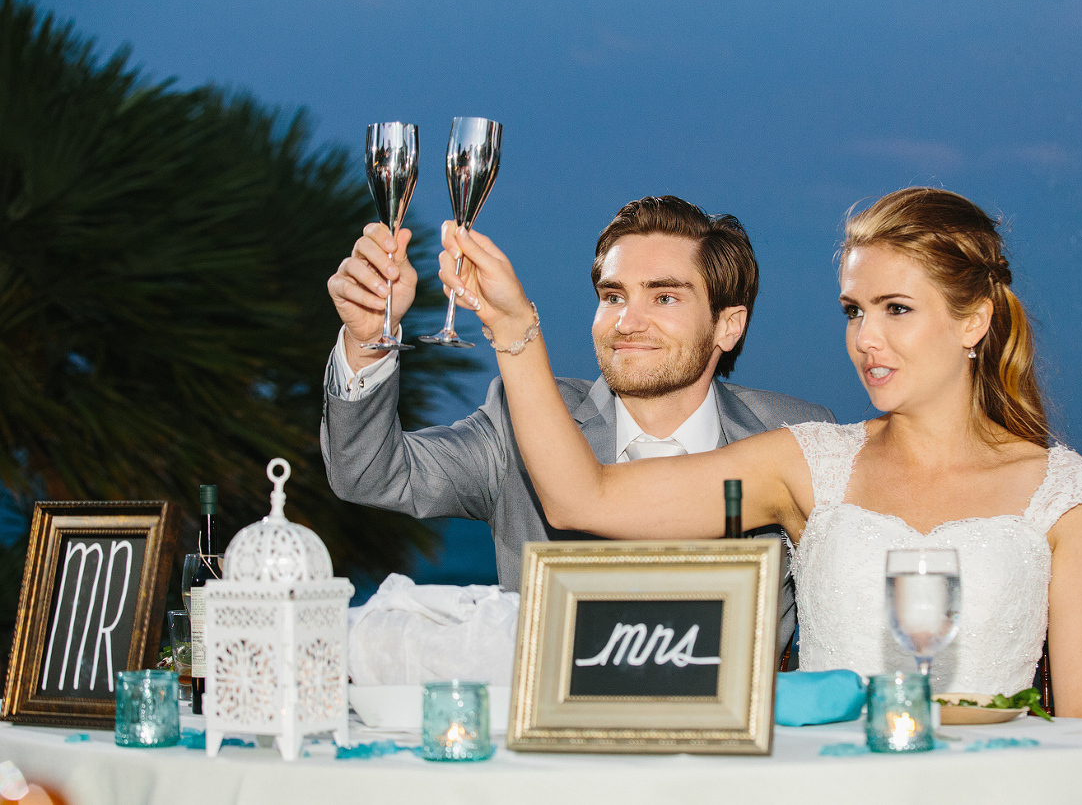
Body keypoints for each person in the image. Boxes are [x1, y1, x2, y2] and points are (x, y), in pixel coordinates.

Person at [440, 187, 1082, 716]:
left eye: (896, 308)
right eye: (854, 310)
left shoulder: (1061, 494)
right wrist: (512, 330)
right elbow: (580, 496)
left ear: (972, 319)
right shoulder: (805, 462)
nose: (866, 339)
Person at [322, 196, 835, 661]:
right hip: (559, 755)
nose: (627, 322)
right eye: (613, 296)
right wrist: (366, 340)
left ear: (729, 324)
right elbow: (370, 474)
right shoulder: (520, 422)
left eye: (664, 298)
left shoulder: (797, 437)